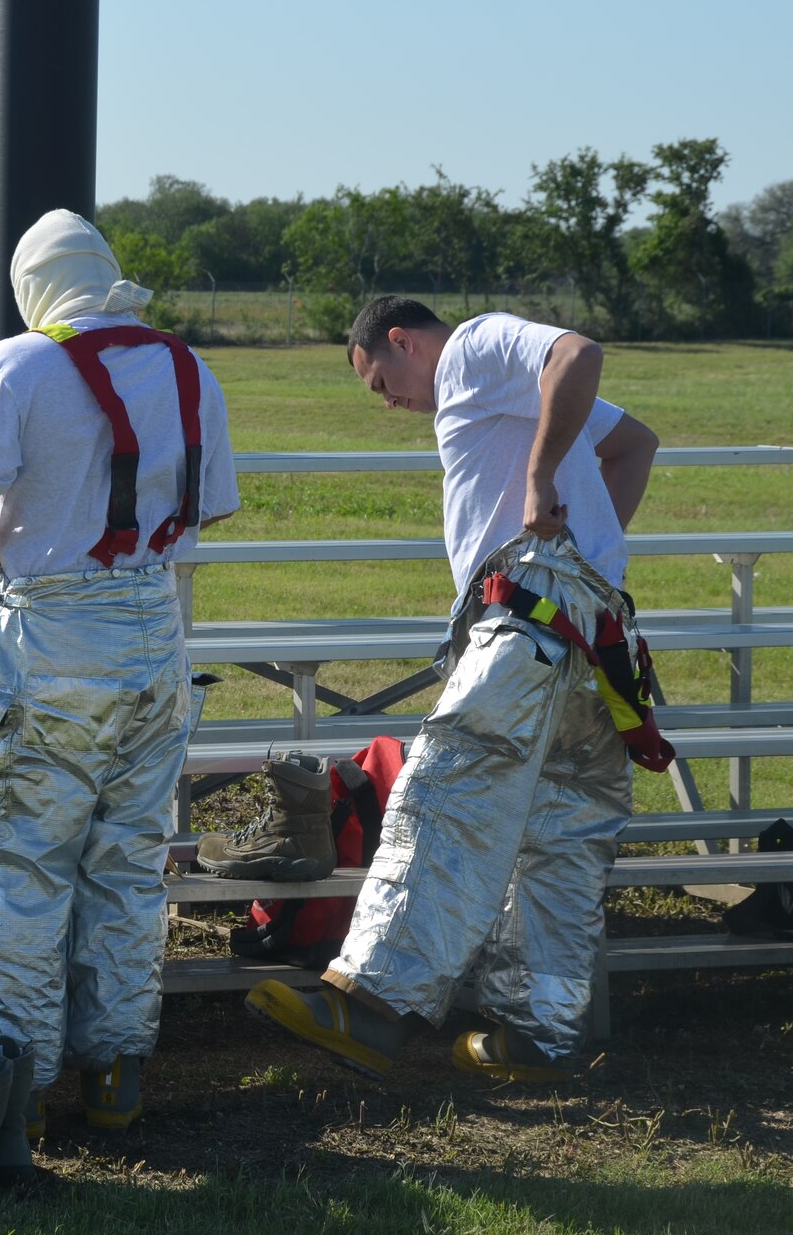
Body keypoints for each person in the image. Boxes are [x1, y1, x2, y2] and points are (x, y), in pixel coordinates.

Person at [0, 210, 240, 1191]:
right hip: (155, 639)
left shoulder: (19, 365)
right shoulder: (188, 369)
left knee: (10, 860)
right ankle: (115, 1074)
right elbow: (207, 505)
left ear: (31, 287)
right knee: (125, 862)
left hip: (51, 636)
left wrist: (27, 574)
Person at [249, 295, 662, 1084]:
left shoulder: (472, 348)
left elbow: (577, 352)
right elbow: (635, 444)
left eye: (382, 381)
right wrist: (592, 550)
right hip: (596, 630)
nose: (394, 402)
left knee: (446, 792)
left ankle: (368, 1005)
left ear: (401, 340)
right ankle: (539, 1036)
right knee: (559, 834)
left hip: (531, 613)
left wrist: (541, 484)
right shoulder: (501, 387)